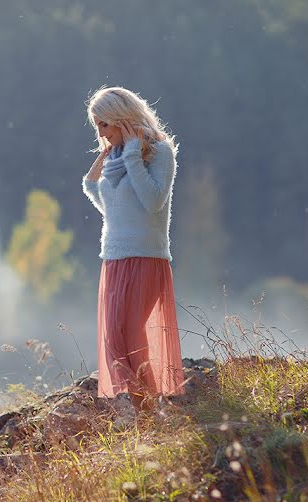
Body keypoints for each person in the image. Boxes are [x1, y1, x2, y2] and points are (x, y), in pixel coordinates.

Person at [82, 86, 186, 403]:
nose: (101, 133)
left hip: (146, 257)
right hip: (113, 257)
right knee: (114, 337)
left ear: (122, 120)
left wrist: (131, 155)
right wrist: (91, 185)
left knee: (130, 335)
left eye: (105, 124)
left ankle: (151, 411)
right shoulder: (113, 157)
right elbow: (117, 212)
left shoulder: (159, 152)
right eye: (96, 125)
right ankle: (145, 411)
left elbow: (153, 202)